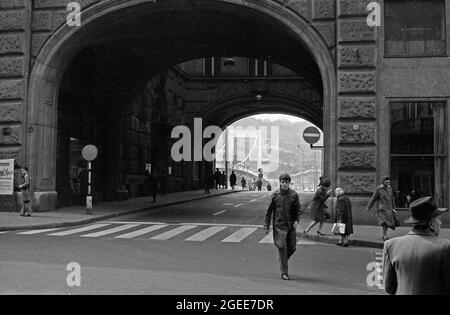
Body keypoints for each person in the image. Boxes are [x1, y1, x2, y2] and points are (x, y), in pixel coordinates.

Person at [382, 196, 450, 295]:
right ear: (431, 223)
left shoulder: (391, 245)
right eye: (438, 220)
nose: (440, 223)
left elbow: (389, 287)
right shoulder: (445, 247)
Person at [264, 174, 302, 280]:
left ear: (289, 183)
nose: (285, 184)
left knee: (292, 248)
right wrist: (266, 226)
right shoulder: (275, 195)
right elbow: (269, 211)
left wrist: (296, 221)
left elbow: (298, 210)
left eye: (287, 182)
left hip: (291, 226)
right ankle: (284, 272)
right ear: (280, 182)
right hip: (279, 226)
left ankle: (282, 260)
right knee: (282, 248)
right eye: (283, 182)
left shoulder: (294, 195)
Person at [367, 176, 399, 241]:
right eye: (386, 181)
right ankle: (384, 235)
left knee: (387, 223)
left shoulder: (390, 188)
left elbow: (392, 198)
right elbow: (373, 198)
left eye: (388, 181)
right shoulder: (379, 189)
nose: (387, 182)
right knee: (384, 222)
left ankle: (384, 234)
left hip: (389, 209)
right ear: (383, 182)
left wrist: (394, 208)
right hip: (382, 209)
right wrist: (369, 207)